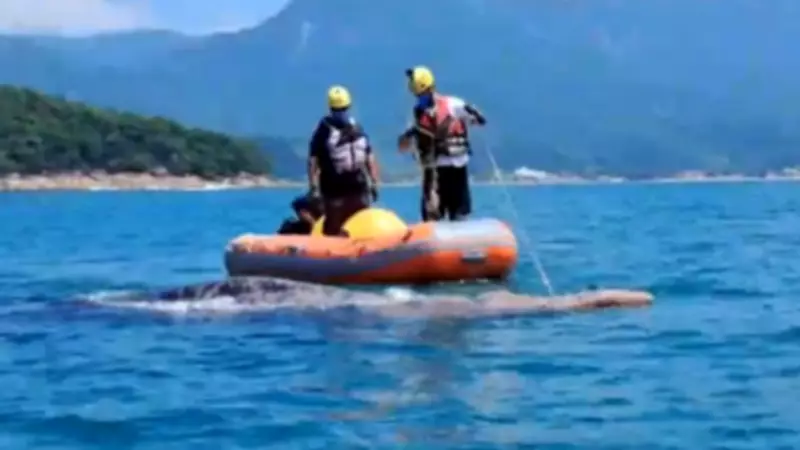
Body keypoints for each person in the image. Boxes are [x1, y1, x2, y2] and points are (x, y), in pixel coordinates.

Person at [398, 66, 486, 222]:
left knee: (459, 213)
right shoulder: (418, 113)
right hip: (433, 170)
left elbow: (478, 119)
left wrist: (474, 117)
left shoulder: (453, 104)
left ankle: (459, 226)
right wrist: (408, 138)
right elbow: (405, 143)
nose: (420, 98)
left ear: (431, 88)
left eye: (422, 94)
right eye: (417, 95)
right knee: (431, 212)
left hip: (457, 168)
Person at [307, 85, 380, 236]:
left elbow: (369, 156)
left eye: (343, 109)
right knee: (333, 225)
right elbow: (313, 160)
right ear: (331, 109)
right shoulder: (323, 132)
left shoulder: (357, 129)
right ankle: (330, 243)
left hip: (357, 186)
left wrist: (374, 182)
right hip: (334, 188)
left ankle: (363, 244)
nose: (341, 113)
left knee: (361, 221)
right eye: (337, 110)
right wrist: (313, 187)